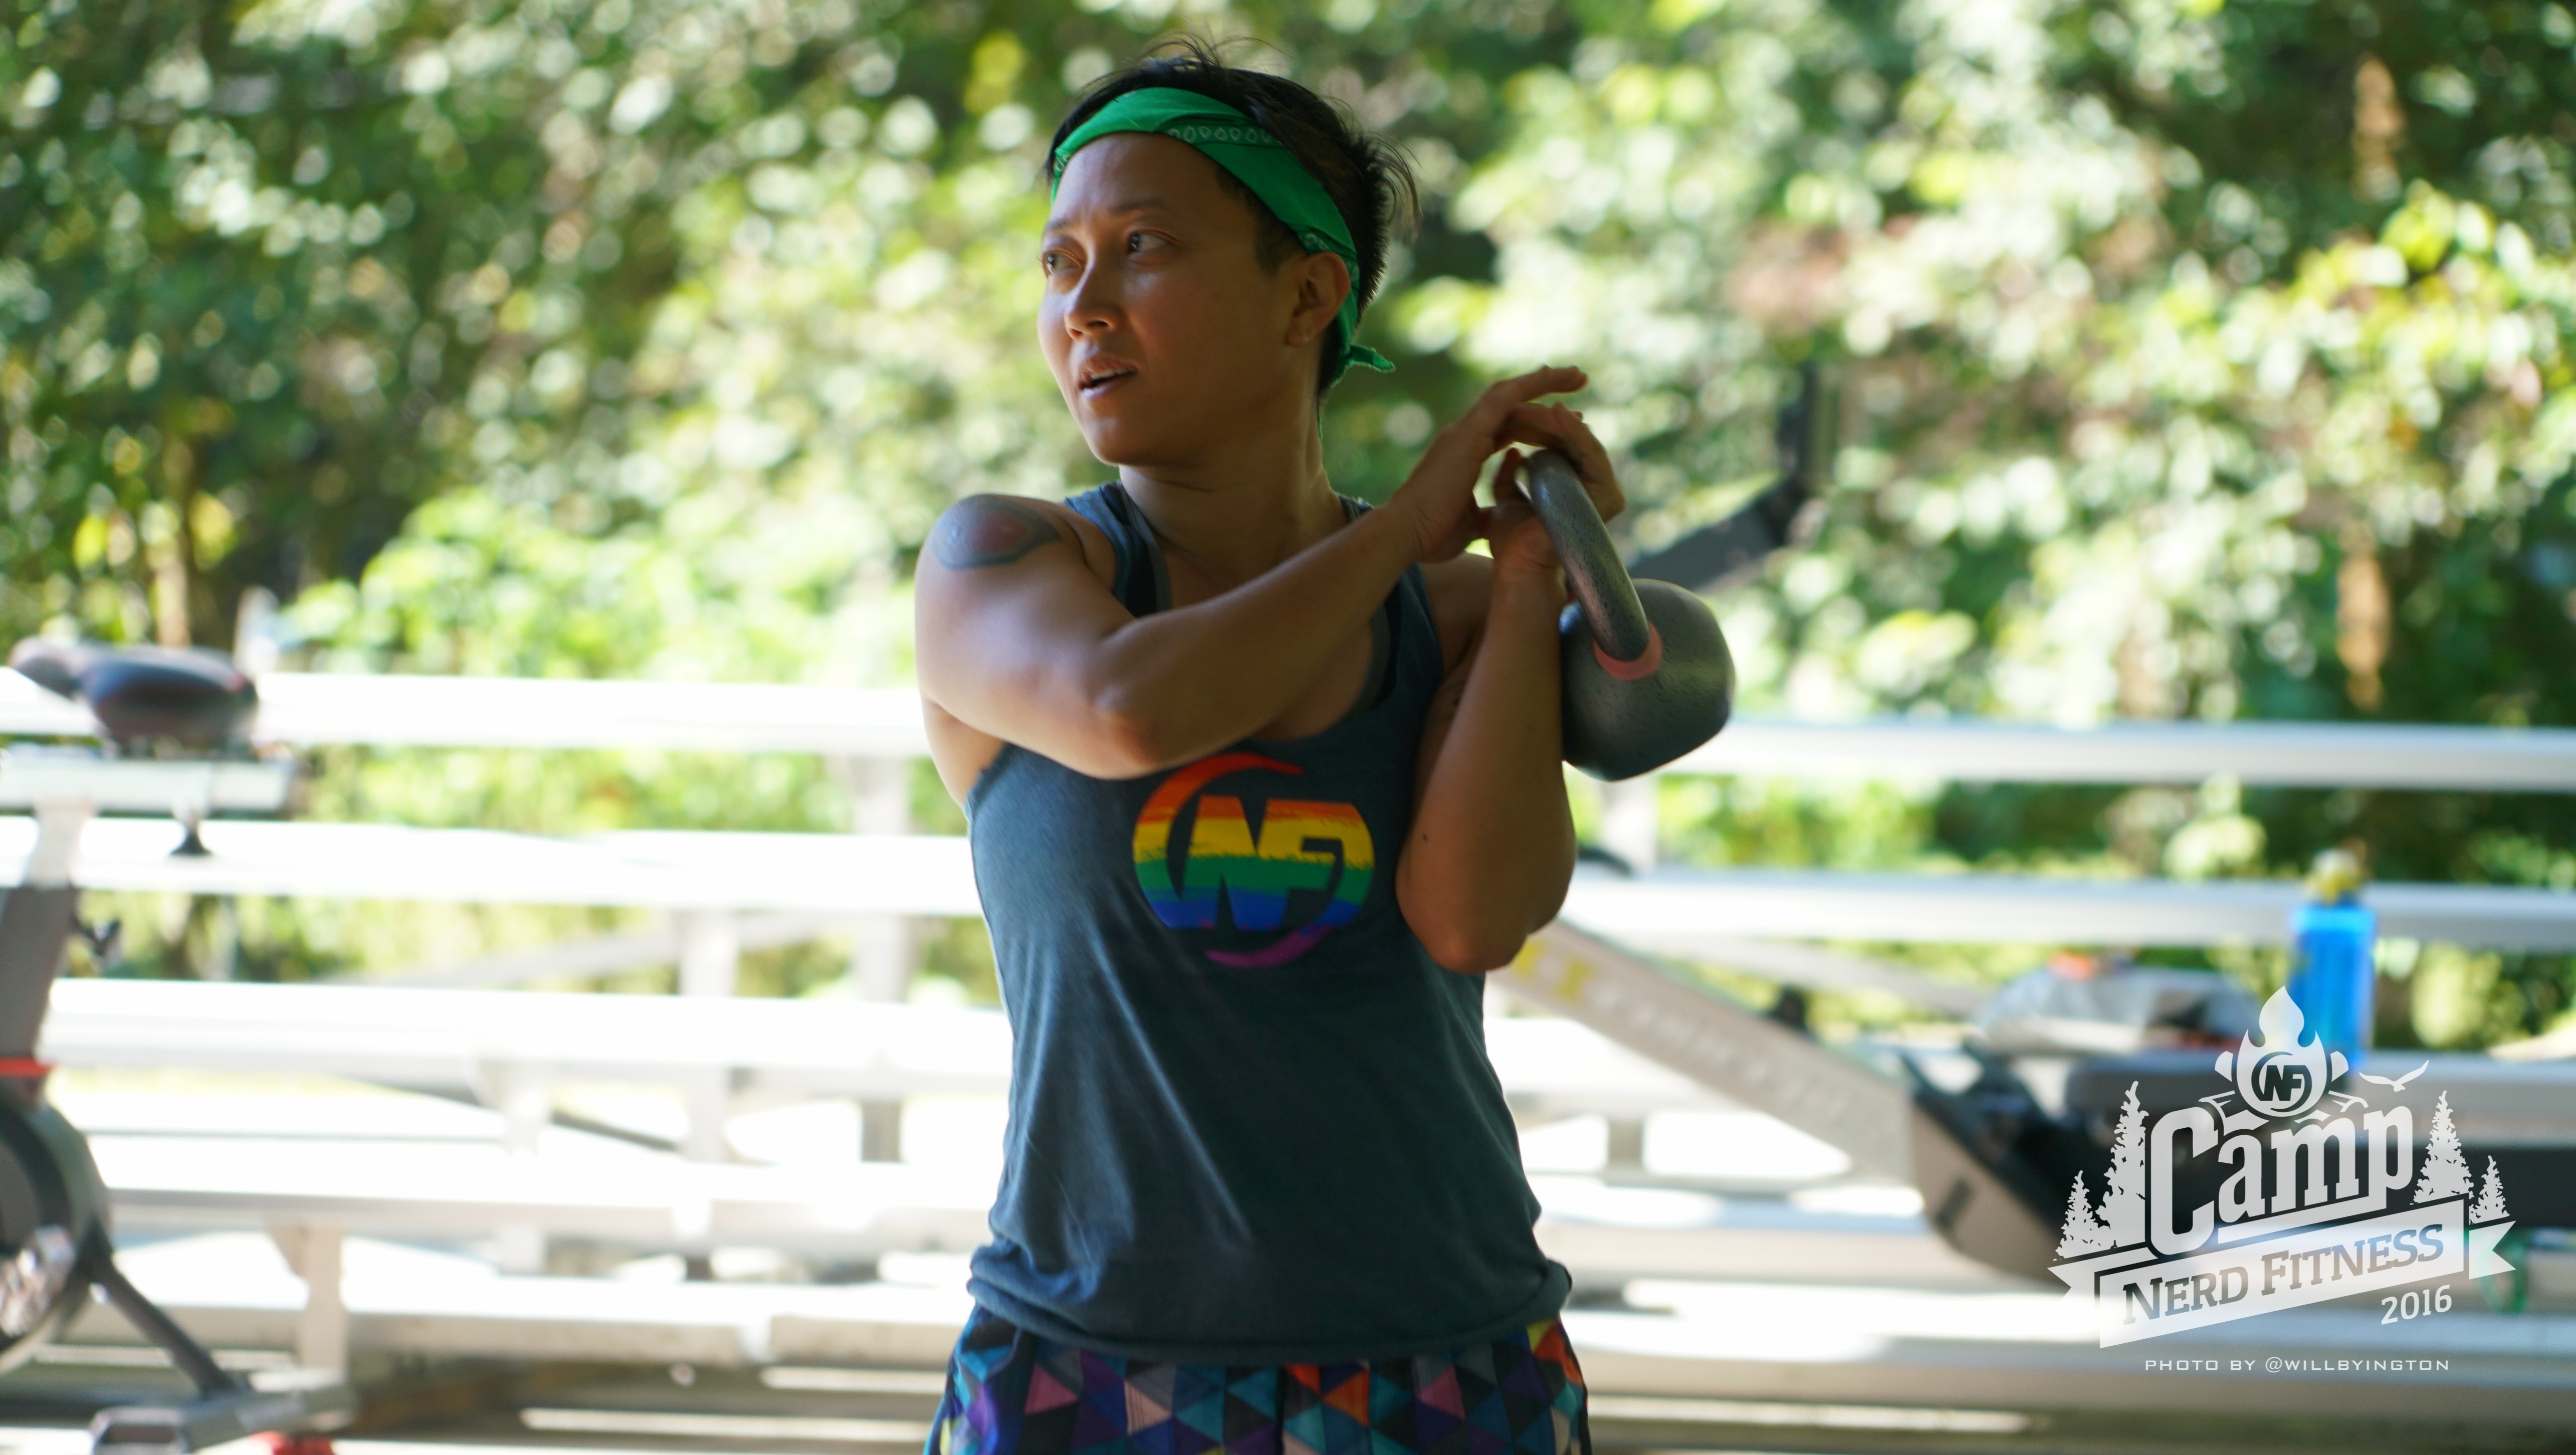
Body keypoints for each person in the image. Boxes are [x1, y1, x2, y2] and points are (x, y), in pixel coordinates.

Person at [913, 38, 1625, 1455]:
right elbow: (1129, 713)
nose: (1084, 306)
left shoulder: (1462, 609)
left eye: (1144, 249)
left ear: (1307, 292)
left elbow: (1473, 917)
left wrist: (1534, 570)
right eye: (1059, 264)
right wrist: (1411, 525)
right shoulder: (1004, 560)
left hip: (1444, 1353)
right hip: (1081, 1367)